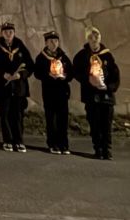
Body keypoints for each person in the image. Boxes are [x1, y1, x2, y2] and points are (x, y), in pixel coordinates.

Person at [73, 27, 120, 160]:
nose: (94, 40)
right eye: (91, 37)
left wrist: (108, 87)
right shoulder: (82, 56)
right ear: (87, 39)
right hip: (91, 96)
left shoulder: (107, 56)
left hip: (106, 96)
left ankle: (107, 150)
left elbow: (115, 75)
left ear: (100, 38)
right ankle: (98, 149)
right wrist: (87, 80)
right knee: (95, 123)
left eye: (96, 37)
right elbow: (75, 71)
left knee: (106, 124)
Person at [0, 21, 34, 153]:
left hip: (19, 88)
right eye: (6, 32)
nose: (8, 34)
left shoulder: (21, 47)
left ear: (14, 33)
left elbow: (30, 65)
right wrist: (2, 74)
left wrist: (21, 75)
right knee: (5, 115)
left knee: (18, 115)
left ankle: (19, 141)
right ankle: (7, 140)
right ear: (2, 33)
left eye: (11, 32)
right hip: (3, 88)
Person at [34, 31, 73, 155]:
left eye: (56, 41)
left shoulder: (63, 57)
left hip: (62, 92)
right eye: (51, 41)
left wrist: (65, 76)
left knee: (63, 119)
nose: (54, 43)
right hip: (49, 92)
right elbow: (37, 73)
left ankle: (64, 144)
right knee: (51, 119)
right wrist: (48, 75)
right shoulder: (41, 57)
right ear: (46, 42)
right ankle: (53, 144)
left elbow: (71, 73)